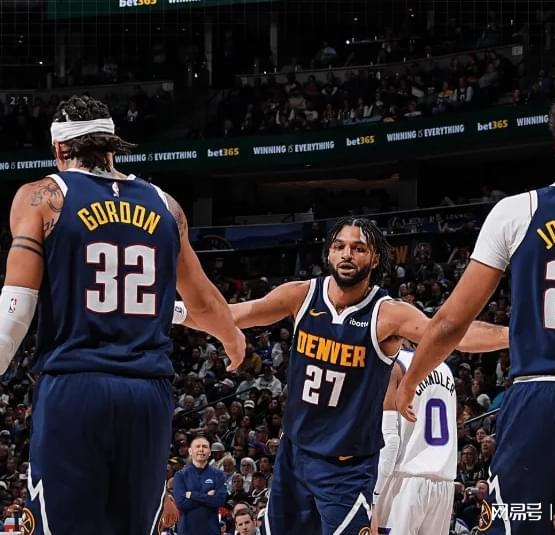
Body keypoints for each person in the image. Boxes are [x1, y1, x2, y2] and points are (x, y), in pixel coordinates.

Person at [396, 90, 555, 535]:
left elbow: (450, 321)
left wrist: (412, 380)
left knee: (516, 525)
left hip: (538, 396)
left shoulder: (517, 211)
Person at [2, 95, 245, 534]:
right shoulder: (165, 205)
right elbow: (205, 304)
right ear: (113, 145)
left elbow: (16, 312)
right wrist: (232, 338)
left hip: (75, 386)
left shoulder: (41, 197)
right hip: (147, 396)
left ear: (59, 148)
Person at [176, 217, 508, 534]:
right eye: (339, 246)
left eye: (358, 248)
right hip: (294, 456)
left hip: (346, 467)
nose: (347, 254)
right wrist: (171, 311)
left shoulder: (387, 314)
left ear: (374, 257)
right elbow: (229, 315)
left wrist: (514, 335)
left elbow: (453, 332)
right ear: (329, 253)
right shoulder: (301, 295)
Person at [371, 343, 458, 535]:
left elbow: (390, 441)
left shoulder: (393, 365)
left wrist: (374, 494)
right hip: (444, 483)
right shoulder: (444, 367)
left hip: (403, 479)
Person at [173, 435, 228, 535]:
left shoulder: (219, 475)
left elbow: (219, 501)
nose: (201, 449)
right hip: (186, 531)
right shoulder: (180, 475)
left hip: (211, 531)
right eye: (197, 446)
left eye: (204, 446)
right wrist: (207, 496)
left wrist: (192, 495)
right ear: (190, 451)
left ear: (210, 452)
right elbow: (181, 503)